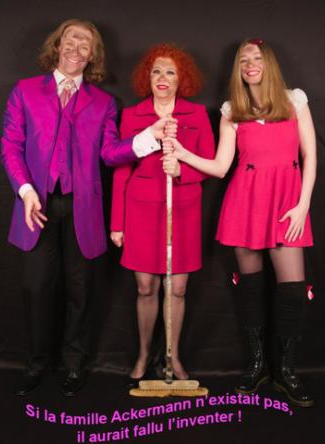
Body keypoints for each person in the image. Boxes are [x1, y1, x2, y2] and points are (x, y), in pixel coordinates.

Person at [1, 19, 174, 397]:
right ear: (57, 45)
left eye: (85, 44)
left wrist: (149, 137)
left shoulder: (104, 103)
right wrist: (26, 191)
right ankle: (36, 364)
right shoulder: (25, 92)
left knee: (80, 293)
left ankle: (74, 365)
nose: (76, 49)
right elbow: (11, 146)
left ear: (93, 56)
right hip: (36, 206)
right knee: (36, 289)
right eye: (71, 40)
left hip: (83, 210)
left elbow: (110, 153)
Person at [164, 38, 316, 407]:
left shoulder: (294, 100)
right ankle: (258, 365)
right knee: (250, 289)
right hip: (245, 203)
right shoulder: (232, 110)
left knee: (292, 291)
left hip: (287, 204)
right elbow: (220, 166)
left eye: (257, 57)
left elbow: (310, 156)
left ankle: (287, 371)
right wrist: (183, 153)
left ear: (269, 63)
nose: (250, 63)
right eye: (244, 59)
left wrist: (302, 206)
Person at [110, 43, 215, 386]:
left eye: (171, 71)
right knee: (145, 287)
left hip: (183, 210)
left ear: (182, 79)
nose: (163, 77)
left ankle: (172, 356)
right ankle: (144, 354)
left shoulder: (196, 115)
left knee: (178, 288)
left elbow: (211, 164)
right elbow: (121, 170)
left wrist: (182, 170)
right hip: (140, 211)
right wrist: (117, 223)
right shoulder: (132, 115)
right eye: (156, 70)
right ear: (147, 77)